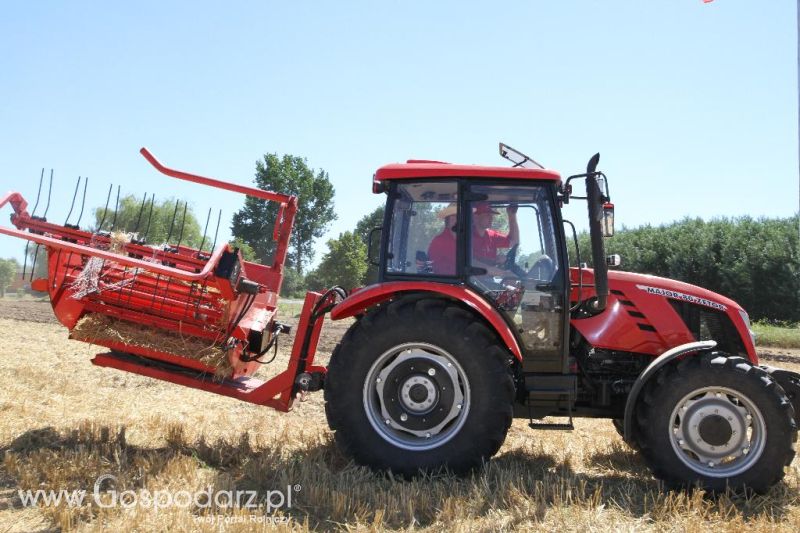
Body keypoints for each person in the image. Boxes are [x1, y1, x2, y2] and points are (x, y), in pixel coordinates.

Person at [471, 202, 519, 274]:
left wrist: (512, 215)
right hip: (472, 280)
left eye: (491, 215)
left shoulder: (492, 235)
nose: (491, 218)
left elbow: (514, 241)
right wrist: (499, 272)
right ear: (476, 217)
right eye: (487, 215)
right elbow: (469, 261)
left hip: (488, 281)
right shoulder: (467, 237)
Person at [427, 203, 457, 275]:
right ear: (447, 221)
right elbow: (433, 268)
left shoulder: (467, 241)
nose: (456, 221)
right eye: (453, 218)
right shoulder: (438, 241)